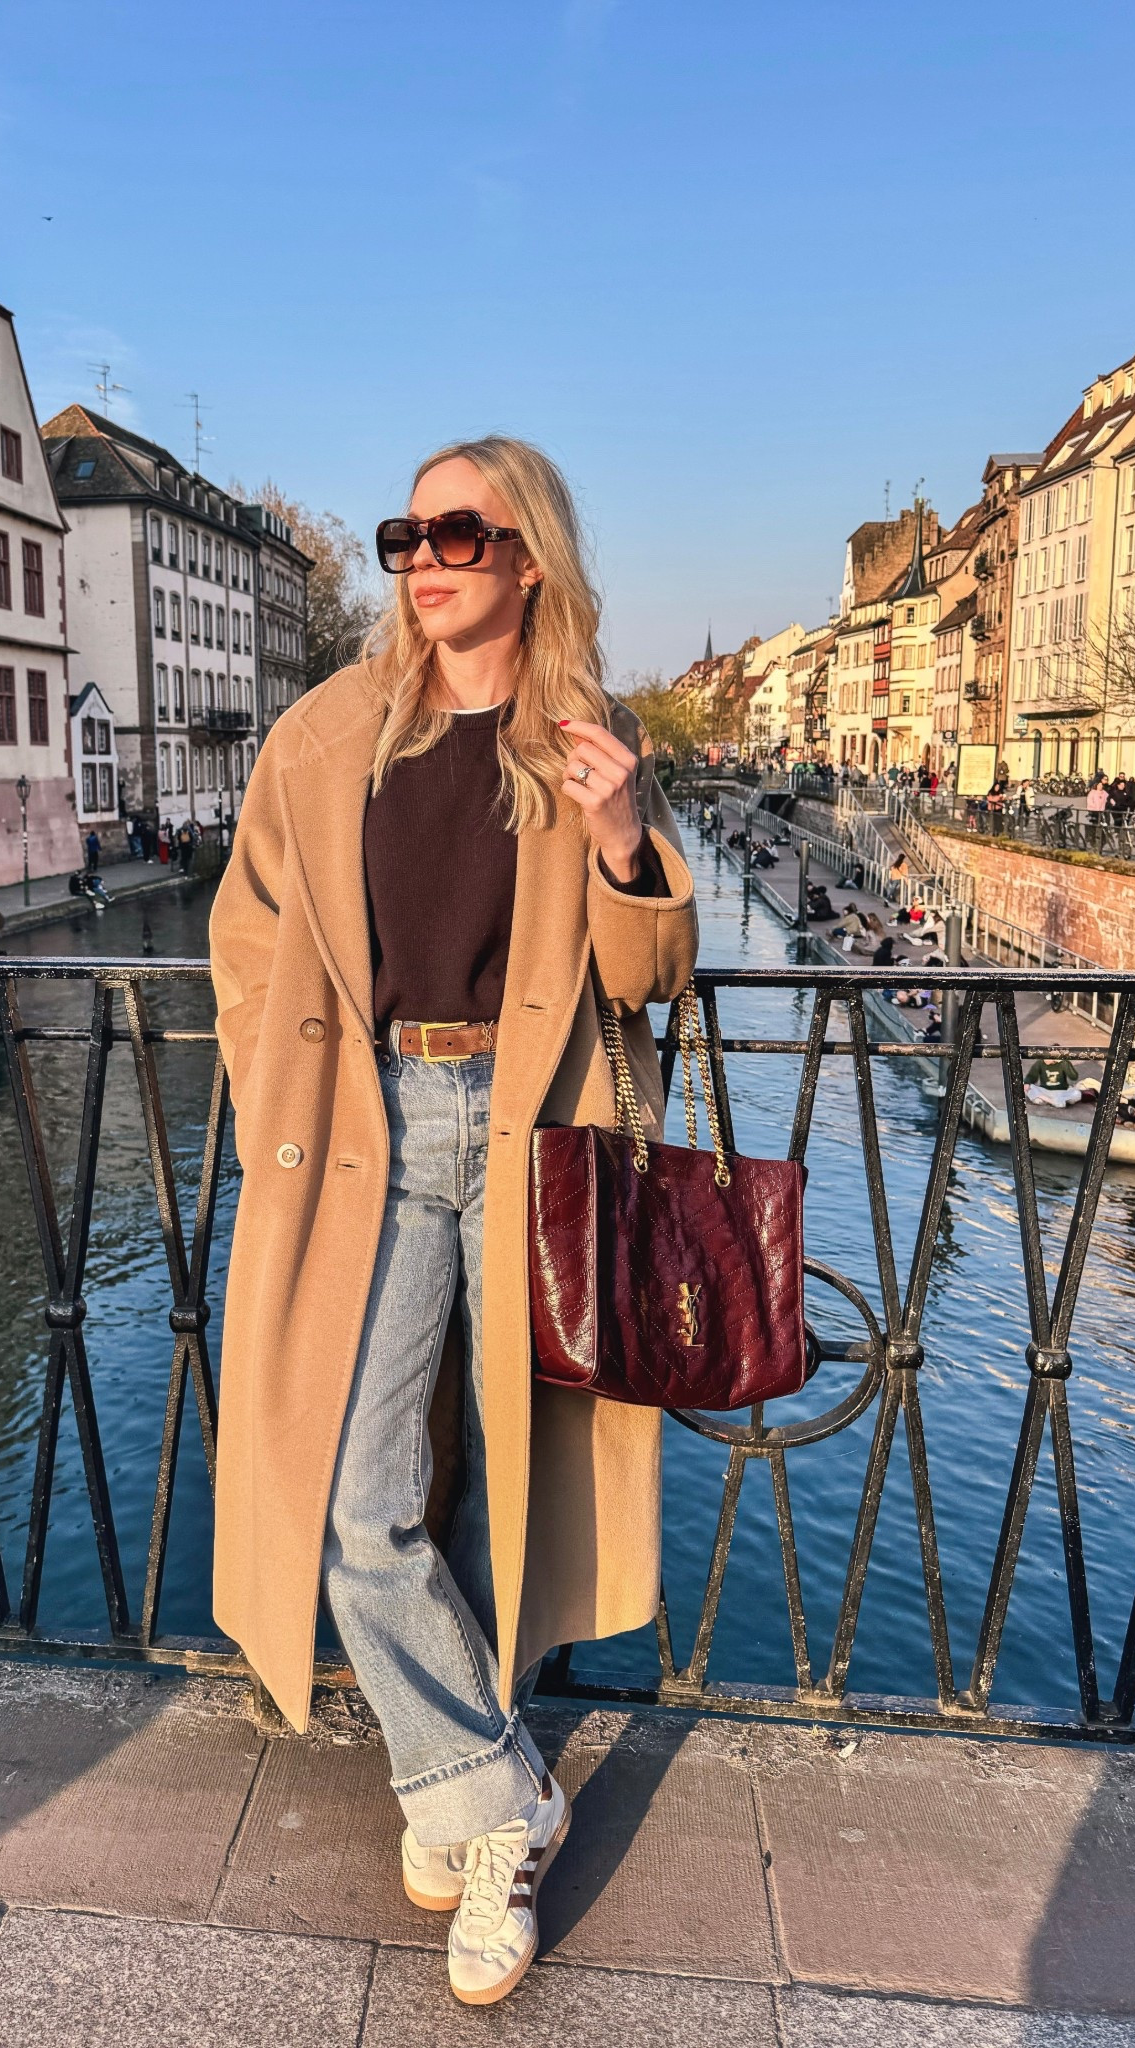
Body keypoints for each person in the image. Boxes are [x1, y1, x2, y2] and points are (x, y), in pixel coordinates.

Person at [207, 435, 697, 2008]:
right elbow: (247, 926)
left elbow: (646, 982)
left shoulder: (583, 738)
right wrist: (268, 1075)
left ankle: (455, 1781)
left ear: (526, 558)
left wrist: (625, 847)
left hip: (530, 1137)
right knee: (357, 1499)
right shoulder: (327, 729)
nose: (423, 558)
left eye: (458, 534)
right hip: (363, 1131)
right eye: (405, 532)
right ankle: (497, 1801)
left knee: (502, 1483)